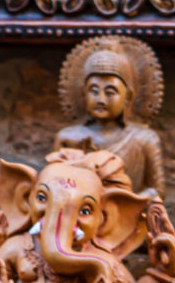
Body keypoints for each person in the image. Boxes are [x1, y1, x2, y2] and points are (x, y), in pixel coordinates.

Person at [54, 41, 165, 199]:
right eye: (93, 91)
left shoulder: (144, 140)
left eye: (110, 92)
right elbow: (53, 184)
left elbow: (157, 191)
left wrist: (123, 202)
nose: (100, 99)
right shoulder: (68, 138)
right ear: (83, 93)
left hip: (125, 217)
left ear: (128, 97)